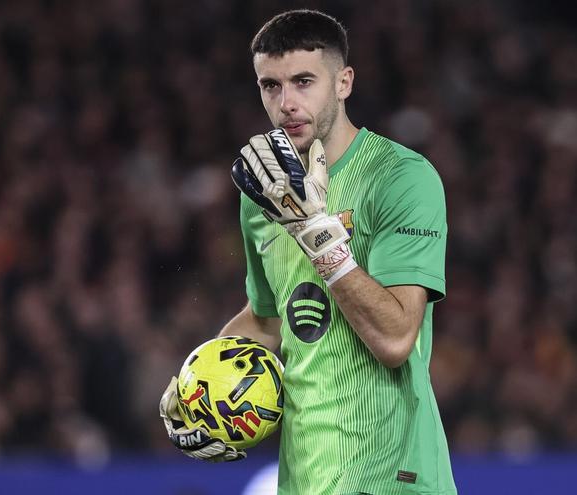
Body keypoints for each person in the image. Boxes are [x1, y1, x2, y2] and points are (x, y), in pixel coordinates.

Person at [160, 9, 457, 495]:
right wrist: (196, 385)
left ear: (343, 82)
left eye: (303, 82)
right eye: (270, 86)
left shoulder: (402, 177)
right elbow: (267, 317)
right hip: (304, 479)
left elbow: (396, 338)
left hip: (392, 476)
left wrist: (313, 231)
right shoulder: (260, 192)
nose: (286, 103)